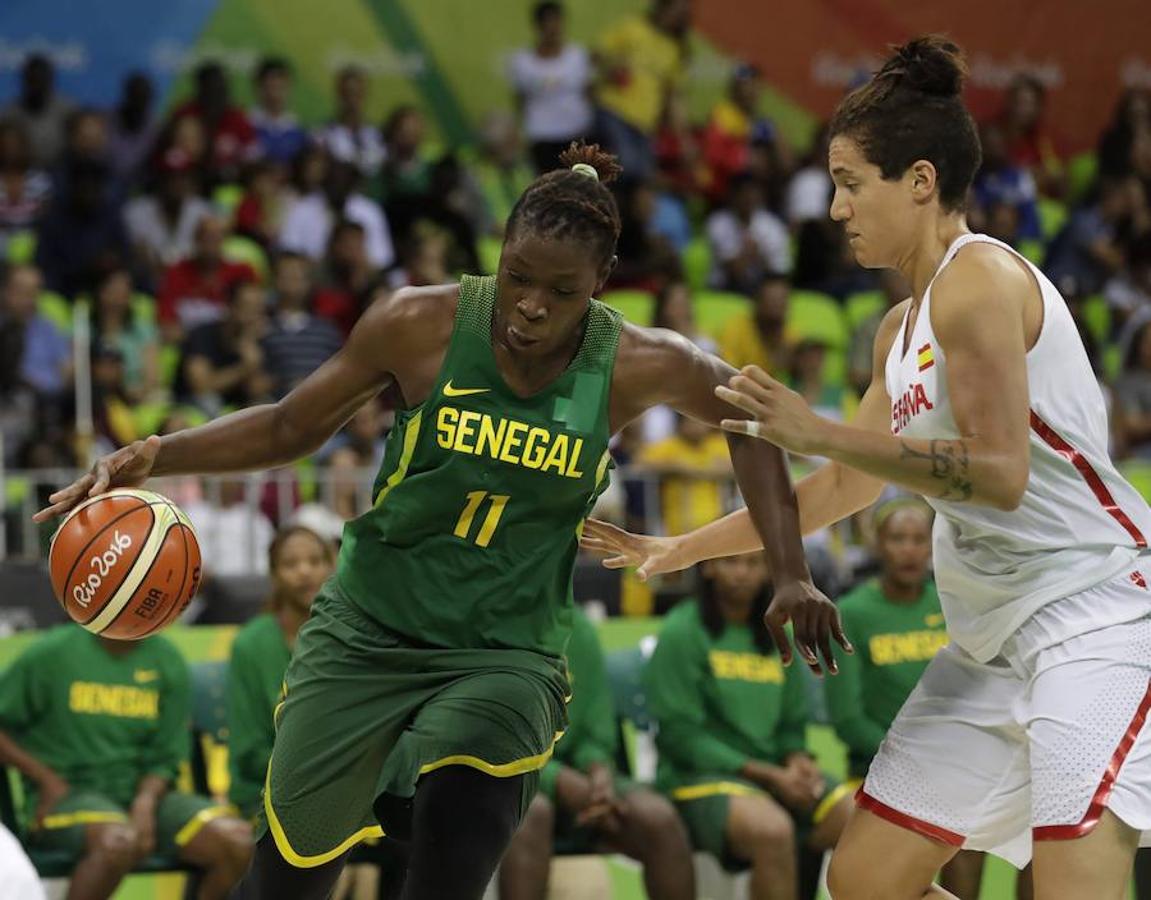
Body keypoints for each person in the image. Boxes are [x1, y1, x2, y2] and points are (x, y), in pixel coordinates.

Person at [36, 143, 840, 900]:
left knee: (467, 802)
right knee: (286, 881)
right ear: (497, 253)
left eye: (561, 292)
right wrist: (156, 453)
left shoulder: (638, 361)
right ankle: (385, 794)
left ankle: (415, 797)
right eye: (517, 276)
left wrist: (790, 569)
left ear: (601, 281)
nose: (530, 306)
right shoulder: (419, 323)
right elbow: (289, 427)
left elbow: (748, 421)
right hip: (367, 632)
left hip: (504, 646)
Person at [581, 36, 1151, 899]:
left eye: (851, 184)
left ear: (918, 181)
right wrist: (678, 549)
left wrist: (817, 430)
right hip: (991, 638)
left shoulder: (983, 279)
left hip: (1094, 619)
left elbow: (999, 473)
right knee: (862, 880)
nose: (836, 208)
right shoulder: (896, 329)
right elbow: (846, 489)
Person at [645, 550, 853, 900]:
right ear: (709, 566)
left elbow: (791, 725)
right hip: (698, 779)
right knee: (771, 830)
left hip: (774, 774)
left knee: (856, 821)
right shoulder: (682, 631)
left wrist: (796, 758)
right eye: (731, 561)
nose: (741, 573)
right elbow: (681, 737)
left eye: (753, 563)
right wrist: (770, 776)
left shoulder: (777, 634)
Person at [0, 626, 253, 900]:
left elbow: (167, 755)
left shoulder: (167, 658)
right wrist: (43, 777)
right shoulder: (51, 653)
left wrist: (144, 803)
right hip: (71, 794)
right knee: (118, 842)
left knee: (238, 842)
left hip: (146, 794)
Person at [825, 501, 992, 898]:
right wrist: (917, 760)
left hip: (958, 767)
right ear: (876, 544)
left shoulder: (952, 603)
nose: (910, 550)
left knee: (983, 837)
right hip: (877, 771)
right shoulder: (851, 613)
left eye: (920, 540)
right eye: (898, 539)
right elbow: (846, 718)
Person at [499, 604, 694, 900]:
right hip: (506, 777)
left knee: (659, 818)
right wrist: (558, 779)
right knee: (532, 812)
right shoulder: (490, 626)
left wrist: (599, 773)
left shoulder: (579, 628)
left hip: (580, 783)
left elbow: (596, 728)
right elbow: (493, 739)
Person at [228, 526, 336, 819]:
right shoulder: (250, 645)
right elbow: (248, 752)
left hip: (342, 788)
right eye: (291, 564)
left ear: (331, 566)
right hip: (267, 792)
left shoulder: (349, 637)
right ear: (274, 575)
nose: (305, 572)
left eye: (315, 561)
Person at [509, 1, 594, 174]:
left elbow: (589, 93)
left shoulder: (577, 56)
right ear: (538, 26)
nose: (553, 28)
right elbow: (520, 99)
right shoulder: (522, 62)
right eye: (548, 23)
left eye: (557, 22)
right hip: (541, 135)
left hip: (576, 133)